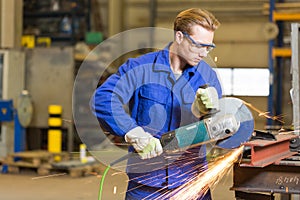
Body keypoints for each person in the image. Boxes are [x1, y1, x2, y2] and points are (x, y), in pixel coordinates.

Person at [91, 8, 237, 200]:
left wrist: (210, 112)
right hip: (146, 185)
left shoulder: (207, 76)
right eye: (198, 45)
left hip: (193, 183)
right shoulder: (140, 68)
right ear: (179, 37)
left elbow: (217, 129)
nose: (204, 53)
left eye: (209, 47)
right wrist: (133, 133)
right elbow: (103, 99)